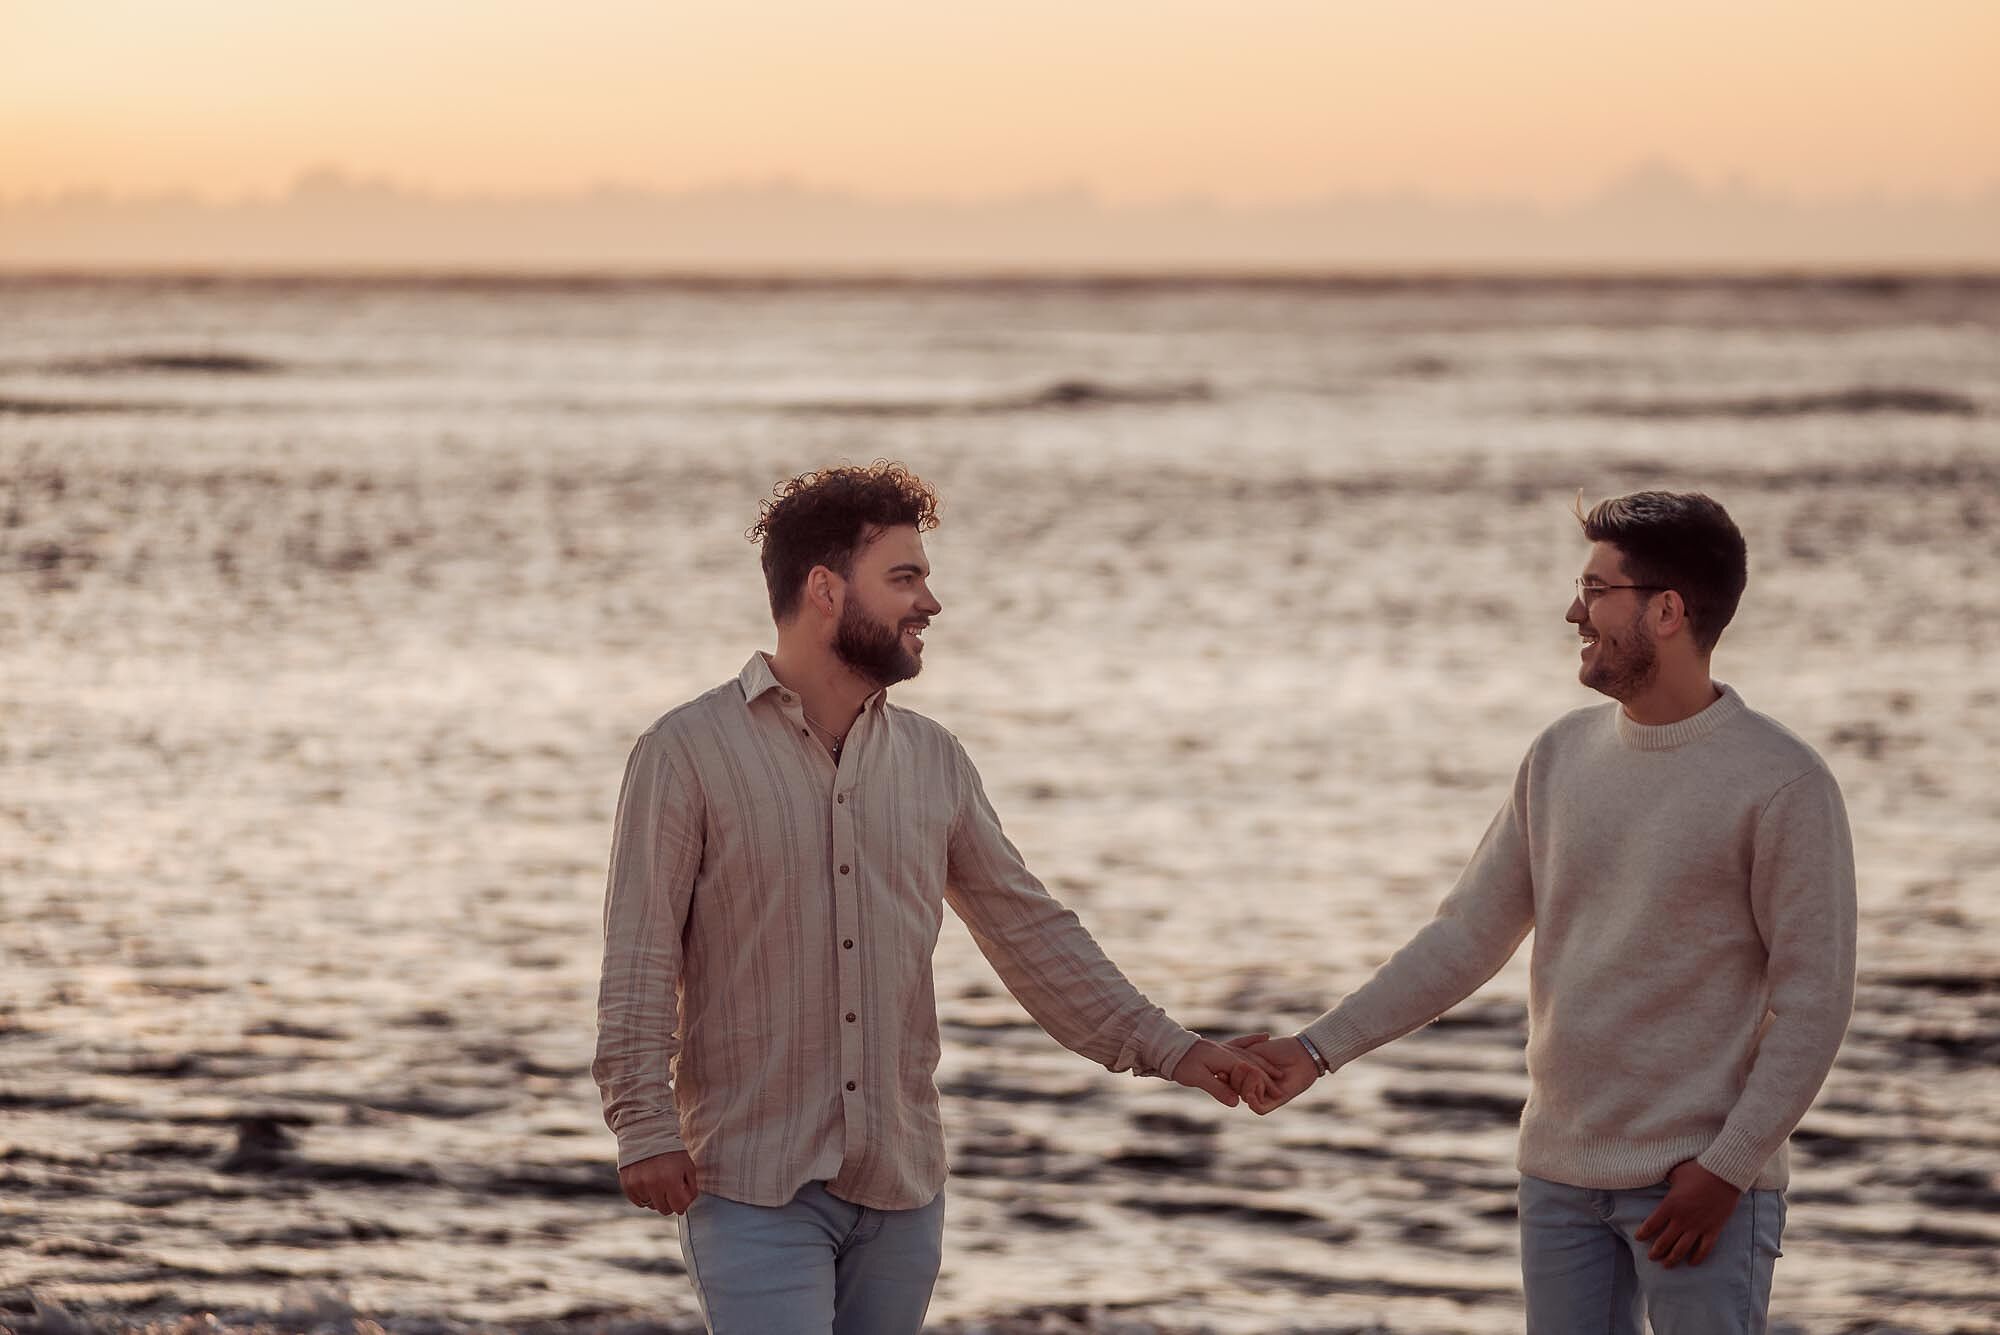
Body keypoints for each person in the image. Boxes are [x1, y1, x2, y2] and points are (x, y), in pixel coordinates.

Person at [593, 461, 1274, 1335]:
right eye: (905, 578)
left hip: (901, 1189)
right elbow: (639, 956)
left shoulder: (933, 760)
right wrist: (644, 1126)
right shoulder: (686, 751)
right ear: (826, 589)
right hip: (753, 1185)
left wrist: (1173, 1049)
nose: (931, 603)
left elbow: (1030, 931)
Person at [1237, 491, 1856, 1335]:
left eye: (1596, 590)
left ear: (1667, 611)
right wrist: (1317, 1049)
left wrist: (1728, 1169)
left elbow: (1815, 999)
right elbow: (1464, 937)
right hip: (1560, 1178)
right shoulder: (1561, 755)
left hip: (1699, 1185)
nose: (1574, 612)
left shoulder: (1782, 782)